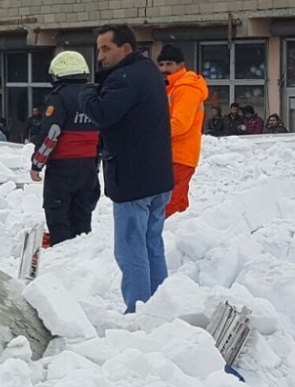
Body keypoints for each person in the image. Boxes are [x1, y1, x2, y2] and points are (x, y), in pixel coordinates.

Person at [78, 24, 173, 314]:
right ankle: (159, 305)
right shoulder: (148, 72)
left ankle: (139, 310)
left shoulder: (124, 78)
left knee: (130, 249)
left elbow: (102, 113)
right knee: (152, 244)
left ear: (126, 48)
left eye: (106, 49)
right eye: (98, 49)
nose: (100, 56)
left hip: (133, 180)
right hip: (157, 177)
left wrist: (86, 92)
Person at [30, 51, 101, 246]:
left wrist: (37, 164)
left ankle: (62, 257)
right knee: (82, 218)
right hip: (89, 168)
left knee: (59, 218)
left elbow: (52, 134)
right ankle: (82, 259)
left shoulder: (59, 97)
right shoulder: (94, 94)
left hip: (62, 169)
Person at [157, 44, 208, 218]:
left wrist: (150, 134)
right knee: (173, 202)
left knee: (171, 204)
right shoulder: (171, 87)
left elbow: (179, 124)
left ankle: (171, 239)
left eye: (169, 64)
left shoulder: (186, 88)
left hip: (179, 154)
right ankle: (178, 236)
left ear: (181, 65)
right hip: (170, 154)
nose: (164, 69)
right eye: (161, 64)